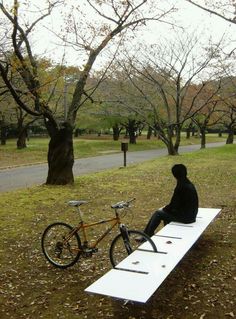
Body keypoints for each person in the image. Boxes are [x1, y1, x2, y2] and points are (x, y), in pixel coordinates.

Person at [142, 164, 198, 238]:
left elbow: (174, 205)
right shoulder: (188, 183)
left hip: (186, 217)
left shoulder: (181, 187)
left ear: (175, 175)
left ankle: (147, 235)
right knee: (164, 213)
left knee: (158, 213)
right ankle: (147, 234)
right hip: (191, 215)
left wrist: (165, 209)